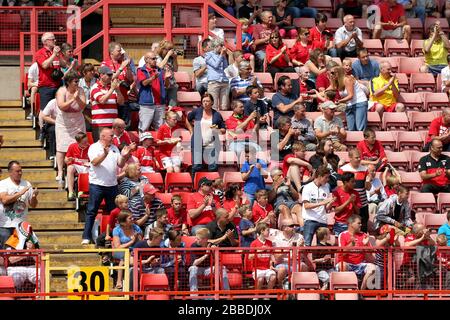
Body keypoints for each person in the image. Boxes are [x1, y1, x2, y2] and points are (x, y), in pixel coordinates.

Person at [81, 128, 133, 245]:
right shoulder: (94, 147)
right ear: (103, 136)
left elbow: (120, 163)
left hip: (112, 185)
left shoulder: (114, 148)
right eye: (111, 135)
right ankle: (86, 236)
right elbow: (94, 162)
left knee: (115, 212)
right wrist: (104, 153)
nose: (113, 137)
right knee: (91, 211)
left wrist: (125, 155)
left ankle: (115, 236)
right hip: (97, 185)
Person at [54, 70, 87, 183]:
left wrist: (77, 98)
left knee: (78, 144)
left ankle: (77, 168)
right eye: (75, 81)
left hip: (77, 120)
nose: (77, 83)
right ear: (68, 82)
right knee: (62, 146)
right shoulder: (61, 91)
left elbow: (83, 105)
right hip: (64, 121)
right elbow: (61, 106)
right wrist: (73, 98)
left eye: (78, 81)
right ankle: (60, 171)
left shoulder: (81, 90)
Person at [0, 161, 39, 248]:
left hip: (20, 227)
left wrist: (34, 196)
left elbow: (33, 205)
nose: (20, 173)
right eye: (17, 171)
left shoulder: (27, 184)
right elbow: (4, 200)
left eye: (21, 170)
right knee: (5, 254)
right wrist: (20, 193)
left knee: (19, 254)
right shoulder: (3, 184)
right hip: (5, 226)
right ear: (10, 172)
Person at [188, 93, 226, 175]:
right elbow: (187, 119)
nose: (205, 103)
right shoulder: (196, 111)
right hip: (197, 142)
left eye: (208, 101)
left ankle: (212, 186)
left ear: (212, 102)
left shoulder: (217, 115)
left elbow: (223, 130)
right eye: (203, 101)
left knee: (213, 167)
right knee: (196, 167)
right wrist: (191, 130)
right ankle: (195, 186)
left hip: (212, 144)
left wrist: (217, 130)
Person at [336, 214, 377, 290]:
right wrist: (352, 244)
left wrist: (365, 245)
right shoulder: (343, 235)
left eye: (361, 223)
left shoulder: (364, 235)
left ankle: (361, 291)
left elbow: (371, 258)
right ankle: (348, 289)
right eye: (358, 223)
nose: (361, 225)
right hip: (347, 263)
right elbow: (341, 253)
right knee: (343, 265)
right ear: (351, 224)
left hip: (360, 264)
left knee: (373, 268)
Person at [101, 42, 136, 126]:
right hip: (112, 100)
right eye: (118, 51)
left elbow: (130, 79)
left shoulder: (122, 63)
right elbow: (108, 78)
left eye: (121, 51)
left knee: (125, 125)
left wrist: (127, 67)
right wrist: (121, 68)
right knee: (113, 125)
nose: (121, 53)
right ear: (111, 52)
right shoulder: (105, 63)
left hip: (124, 98)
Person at [338, 149, 371, 233]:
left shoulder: (365, 169)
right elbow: (339, 185)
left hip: (362, 204)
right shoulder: (343, 169)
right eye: (356, 157)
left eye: (360, 157)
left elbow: (368, 188)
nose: (359, 159)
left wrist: (367, 181)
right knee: (349, 227)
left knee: (362, 227)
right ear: (350, 158)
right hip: (349, 203)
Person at [188, 227, 230, 292]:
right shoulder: (193, 246)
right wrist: (206, 255)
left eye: (198, 239)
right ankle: (194, 296)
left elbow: (217, 260)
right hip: (198, 268)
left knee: (222, 268)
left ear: (205, 240)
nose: (195, 240)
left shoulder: (211, 245)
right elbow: (194, 263)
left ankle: (226, 293)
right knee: (192, 269)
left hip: (209, 269)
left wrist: (215, 252)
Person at [302, 165, 334, 246]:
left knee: (322, 246)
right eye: (326, 177)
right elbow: (306, 206)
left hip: (322, 220)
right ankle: (305, 259)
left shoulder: (326, 187)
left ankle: (321, 259)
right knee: (307, 245)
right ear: (319, 176)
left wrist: (331, 203)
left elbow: (326, 208)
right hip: (310, 219)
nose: (327, 180)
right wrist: (323, 202)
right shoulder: (307, 187)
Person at [90, 66, 124, 142]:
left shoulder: (112, 88)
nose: (111, 77)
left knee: (111, 147)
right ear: (101, 75)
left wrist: (118, 90)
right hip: (100, 125)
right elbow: (102, 100)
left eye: (111, 75)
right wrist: (112, 89)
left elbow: (121, 102)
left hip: (112, 124)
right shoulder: (95, 87)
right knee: (100, 147)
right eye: (109, 75)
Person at [4, 222, 39, 292]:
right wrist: (26, 253)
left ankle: (39, 293)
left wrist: (33, 251)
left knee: (42, 275)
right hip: (15, 268)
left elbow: (39, 259)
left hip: (31, 267)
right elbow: (10, 260)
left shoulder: (32, 241)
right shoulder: (11, 242)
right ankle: (16, 293)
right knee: (16, 277)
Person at [34, 32, 61, 122]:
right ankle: (42, 131)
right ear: (45, 42)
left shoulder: (55, 52)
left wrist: (59, 56)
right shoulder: (39, 53)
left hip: (57, 85)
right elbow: (44, 65)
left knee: (58, 109)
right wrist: (54, 55)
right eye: (52, 39)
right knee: (44, 110)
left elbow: (63, 64)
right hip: (46, 86)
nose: (55, 40)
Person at [112, 211, 143, 290]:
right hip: (120, 250)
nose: (133, 219)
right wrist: (131, 242)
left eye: (132, 217)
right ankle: (119, 281)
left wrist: (137, 238)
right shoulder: (117, 230)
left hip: (134, 249)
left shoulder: (136, 227)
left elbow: (141, 243)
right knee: (124, 257)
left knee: (128, 256)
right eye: (130, 218)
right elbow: (118, 247)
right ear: (123, 221)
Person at [137, 51, 166, 133]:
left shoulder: (160, 70)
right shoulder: (141, 70)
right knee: (144, 127)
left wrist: (167, 78)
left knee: (160, 128)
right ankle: (143, 145)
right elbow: (144, 83)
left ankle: (159, 145)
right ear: (146, 60)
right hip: (147, 104)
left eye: (156, 58)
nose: (155, 60)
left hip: (160, 103)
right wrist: (153, 77)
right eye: (153, 58)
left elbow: (166, 85)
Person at [338, 59, 368, 131]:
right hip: (350, 105)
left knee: (359, 128)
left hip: (359, 103)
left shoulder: (349, 78)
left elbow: (350, 95)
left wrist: (339, 101)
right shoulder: (340, 79)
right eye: (346, 65)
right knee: (351, 129)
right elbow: (330, 89)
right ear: (342, 66)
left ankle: (361, 141)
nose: (348, 67)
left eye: (349, 66)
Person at [249, 223, 277, 293]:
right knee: (260, 279)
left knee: (273, 277)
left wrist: (271, 265)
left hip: (267, 268)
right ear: (262, 231)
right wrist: (259, 250)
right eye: (268, 230)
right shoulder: (254, 243)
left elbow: (271, 255)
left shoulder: (269, 243)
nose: (269, 232)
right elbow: (250, 257)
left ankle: (267, 295)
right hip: (257, 269)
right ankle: (256, 296)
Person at [332, 172, 361, 237]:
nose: (354, 184)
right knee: (339, 245)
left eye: (354, 181)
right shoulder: (336, 192)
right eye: (352, 182)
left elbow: (358, 212)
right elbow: (336, 210)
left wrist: (353, 203)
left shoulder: (355, 193)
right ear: (345, 182)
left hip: (351, 224)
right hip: (339, 224)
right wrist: (349, 201)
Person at [205, 38, 229, 111]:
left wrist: (224, 56)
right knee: (213, 106)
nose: (222, 47)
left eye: (223, 45)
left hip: (224, 81)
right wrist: (221, 54)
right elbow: (216, 65)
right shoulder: (208, 55)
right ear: (215, 46)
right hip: (214, 81)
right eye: (220, 45)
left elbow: (225, 66)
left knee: (224, 106)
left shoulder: (222, 55)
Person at [65, 132, 90, 201]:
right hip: (76, 165)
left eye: (86, 141)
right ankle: (71, 192)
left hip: (87, 166)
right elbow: (66, 160)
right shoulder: (72, 146)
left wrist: (88, 163)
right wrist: (69, 160)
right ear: (78, 142)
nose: (86, 143)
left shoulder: (91, 147)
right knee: (70, 168)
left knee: (87, 169)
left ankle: (82, 190)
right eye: (84, 142)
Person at [156, 39, 179, 106]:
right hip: (162, 84)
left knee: (172, 106)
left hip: (172, 84)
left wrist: (175, 58)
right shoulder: (157, 57)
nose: (171, 51)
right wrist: (168, 55)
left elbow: (175, 69)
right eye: (169, 49)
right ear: (162, 49)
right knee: (161, 105)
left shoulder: (171, 58)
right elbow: (160, 66)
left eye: (172, 49)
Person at [78, 63, 96, 130]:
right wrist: (88, 101)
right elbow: (78, 97)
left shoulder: (96, 81)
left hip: (94, 107)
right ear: (84, 72)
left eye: (93, 70)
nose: (92, 72)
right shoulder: (79, 83)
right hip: (83, 107)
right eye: (90, 71)